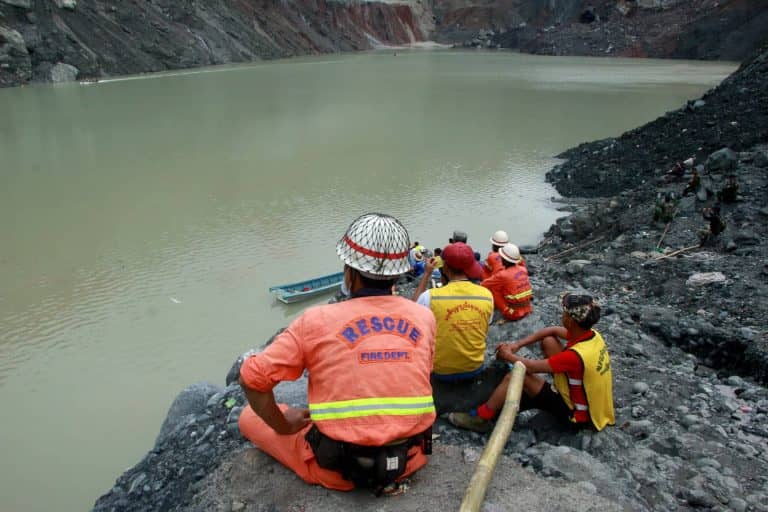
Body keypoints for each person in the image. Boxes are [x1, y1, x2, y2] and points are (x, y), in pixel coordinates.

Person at [239, 213, 437, 494]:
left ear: (349, 272)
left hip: (336, 470)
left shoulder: (316, 320)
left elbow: (252, 378)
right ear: (397, 273)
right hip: (411, 458)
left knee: (248, 416)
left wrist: (283, 425)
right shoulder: (423, 317)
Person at [448, 293, 614, 433]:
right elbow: (552, 331)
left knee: (517, 375)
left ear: (570, 321)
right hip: (591, 403)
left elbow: (531, 367)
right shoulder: (591, 335)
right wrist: (517, 345)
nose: (561, 316)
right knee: (549, 341)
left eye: (564, 314)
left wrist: (508, 355)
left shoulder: (574, 356)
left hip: (575, 416)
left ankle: (481, 418)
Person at [412, 243, 494, 382]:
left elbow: (412, 312)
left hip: (439, 371)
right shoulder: (486, 295)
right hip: (474, 367)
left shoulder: (430, 296)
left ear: (445, 268)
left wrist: (426, 274)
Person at [481, 243, 533, 322]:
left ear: (504, 260)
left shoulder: (502, 275)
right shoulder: (523, 269)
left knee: (494, 288)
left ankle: (505, 310)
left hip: (513, 313)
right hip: (528, 308)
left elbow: (484, 284)